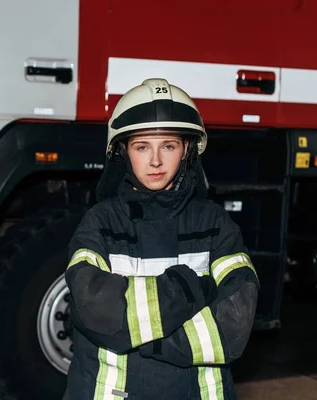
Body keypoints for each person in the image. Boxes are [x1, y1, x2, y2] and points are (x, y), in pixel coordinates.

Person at [63, 78, 260, 400]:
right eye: (142, 147)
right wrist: (188, 289)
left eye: (168, 145)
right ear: (123, 152)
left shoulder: (215, 224)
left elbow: (234, 323)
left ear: (186, 150)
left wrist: (143, 338)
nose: (155, 161)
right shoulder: (100, 223)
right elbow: (96, 309)